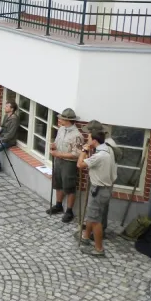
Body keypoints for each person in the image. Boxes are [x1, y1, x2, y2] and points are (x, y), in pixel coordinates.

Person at [77, 129, 117, 257]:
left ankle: (99, 249)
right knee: (92, 214)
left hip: (99, 189)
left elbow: (80, 164)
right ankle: (86, 236)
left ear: (94, 141)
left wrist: (83, 152)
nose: (87, 141)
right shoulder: (107, 150)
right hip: (103, 188)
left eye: (88, 139)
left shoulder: (100, 156)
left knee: (95, 220)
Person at [42, 108, 84, 222]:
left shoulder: (77, 135)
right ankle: (58, 205)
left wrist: (58, 153)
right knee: (58, 183)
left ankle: (69, 211)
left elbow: (76, 154)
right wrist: (54, 146)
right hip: (58, 161)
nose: (60, 119)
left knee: (69, 187)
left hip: (68, 164)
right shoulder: (61, 129)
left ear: (68, 120)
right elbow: (57, 142)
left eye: (62, 118)